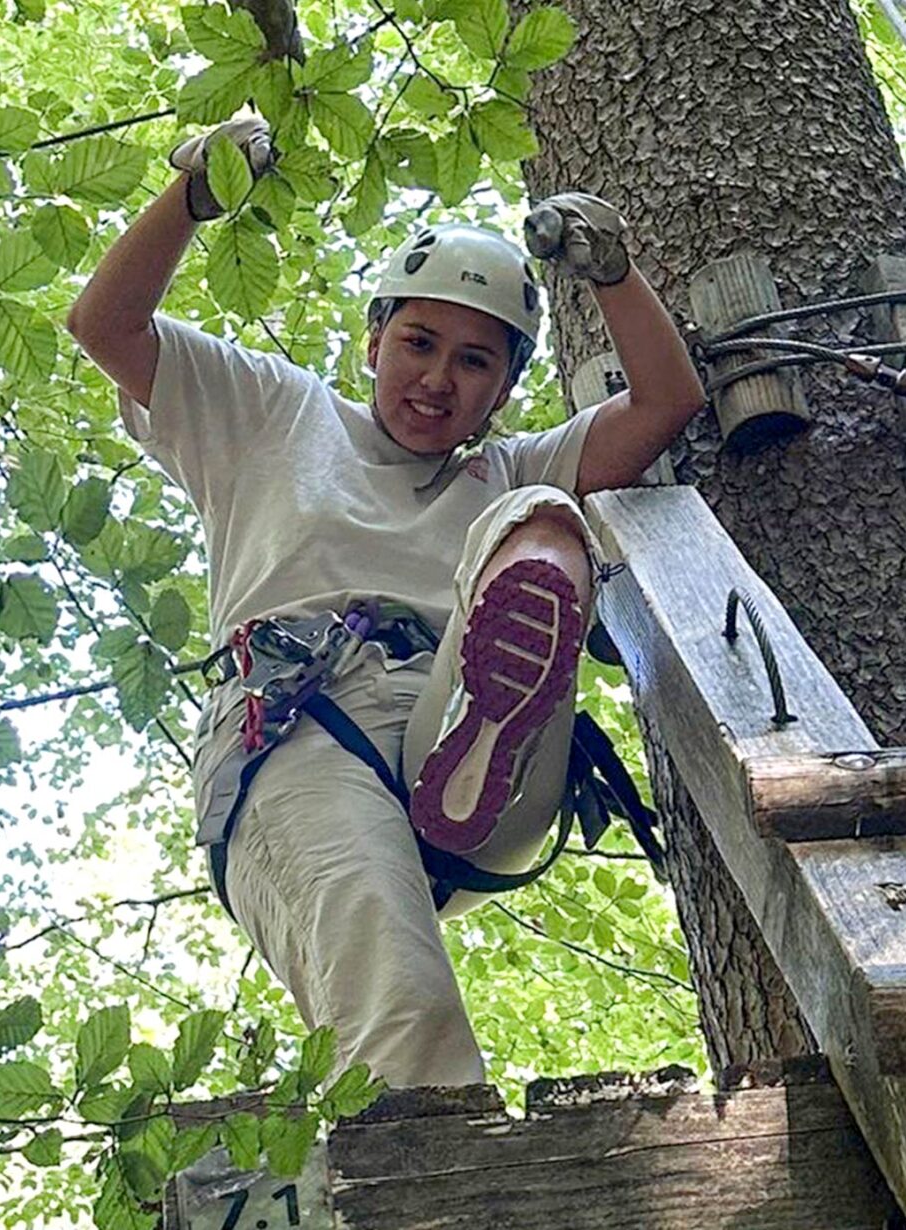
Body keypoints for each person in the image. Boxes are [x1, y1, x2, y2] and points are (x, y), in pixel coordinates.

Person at [66, 114, 705, 1088]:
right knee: (397, 1001)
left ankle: (477, 728)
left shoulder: (501, 470)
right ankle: (439, 1164)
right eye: (417, 342)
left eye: (474, 362)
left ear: (501, 391)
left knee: (540, 512)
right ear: (371, 342)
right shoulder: (273, 412)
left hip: (479, 771)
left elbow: (663, 404)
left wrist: (612, 274)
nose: (437, 379)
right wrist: (190, 196)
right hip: (303, 725)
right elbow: (104, 326)